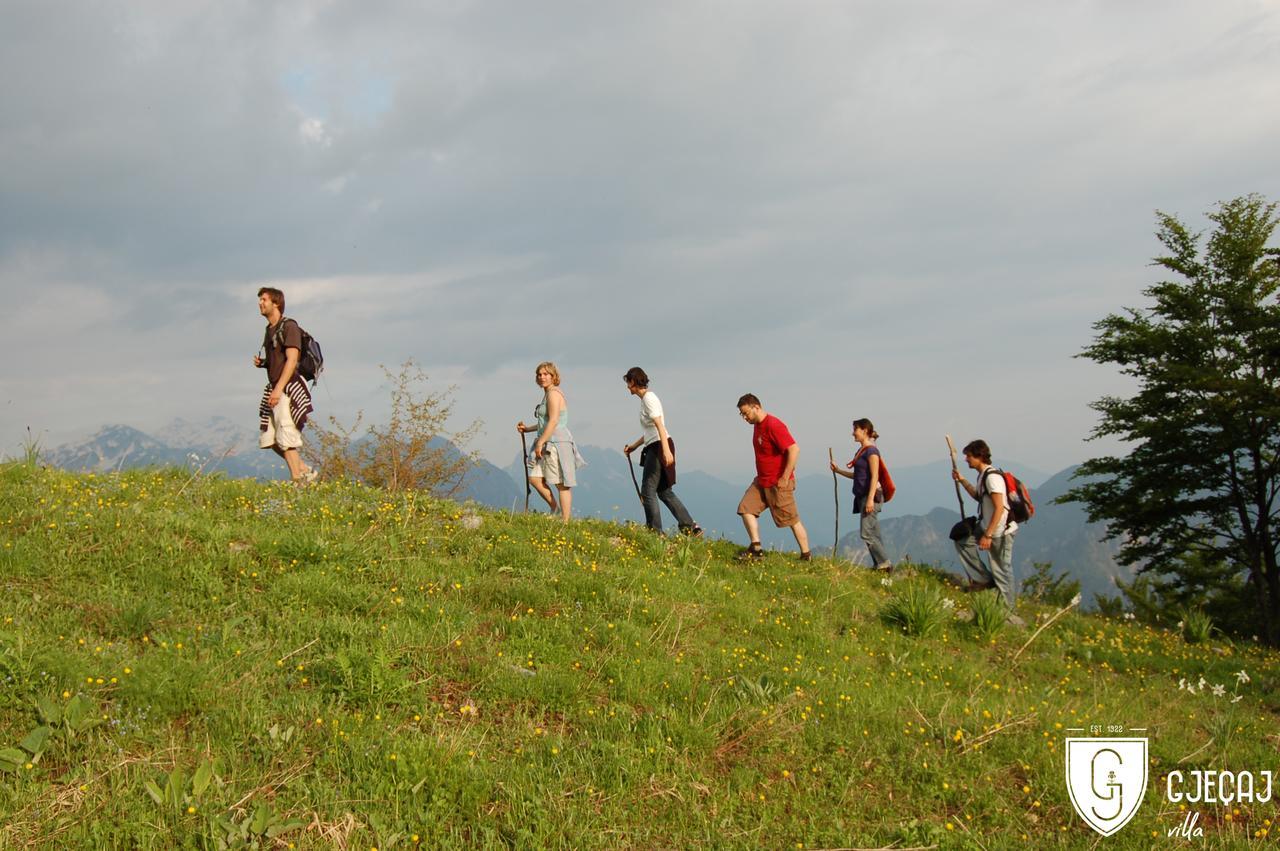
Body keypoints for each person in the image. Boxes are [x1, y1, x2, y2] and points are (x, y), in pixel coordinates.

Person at [621, 367, 703, 537]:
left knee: (648, 489)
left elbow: (659, 425)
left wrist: (665, 450)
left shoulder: (649, 398)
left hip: (659, 446)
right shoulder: (646, 399)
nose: (627, 387)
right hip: (657, 443)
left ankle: (655, 531)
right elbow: (651, 431)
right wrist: (634, 447)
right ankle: (690, 526)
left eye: (628, 383)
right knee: (664, 491)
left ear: (633, 382)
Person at [952, 438, 1022, 622]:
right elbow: (979, 497)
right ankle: (983, 579)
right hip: (988, 528)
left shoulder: (992, 478)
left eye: (968, 456)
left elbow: (1000, 508)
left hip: (1000, 532)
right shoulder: (983, 476)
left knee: (1002, 569)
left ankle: (1008, 612)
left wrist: (988, 535)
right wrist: (962, 480)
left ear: (979, 456)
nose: (966, 459)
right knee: (962, 540)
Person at [735, 393, 811, 560]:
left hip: (778, 482)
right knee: (745, 508)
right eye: (742, 414)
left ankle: (806, 555)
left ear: (756, 407)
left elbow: (794, 449)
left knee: (792, 520)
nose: (744, 418)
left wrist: (785, 477)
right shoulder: (757, 425)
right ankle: (756, 548)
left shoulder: (774, 425)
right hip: (762, 480)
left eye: (746, 413)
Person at [253, 287, 317, 484]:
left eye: (264, 299)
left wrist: (279, 389)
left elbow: (291, 360)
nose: (260, 303)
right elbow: (279, 360)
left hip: (288, 388)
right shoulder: (269, 329)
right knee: (270, 440)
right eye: (260, 300)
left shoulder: (289, 327)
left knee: (286, 436)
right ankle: (304, 470)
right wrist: (264, 363)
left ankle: (298, 481)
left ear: (276, 303)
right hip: (275, 387)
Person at [516, 362, 585, 522]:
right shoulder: (547, 394)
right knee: (534, 478)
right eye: (539, 374)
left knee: (561, 484)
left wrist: (540, 443)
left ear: (554, 376)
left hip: (556, 443)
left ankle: (565, 522)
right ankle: (555, 509)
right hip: (546, 440)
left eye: (546, 374)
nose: (542, 377)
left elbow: (553, 421)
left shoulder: (554, 394)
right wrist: (527, 429)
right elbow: (545, 422)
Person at [830, 418, 892, 571]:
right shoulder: (862, 451)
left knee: (866, 533)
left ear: (864, 430)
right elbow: (858, 476)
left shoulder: (872, 452)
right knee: (873, 533)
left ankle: (885, 563)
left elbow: (875, 476)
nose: (853, 433)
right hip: (863, 496)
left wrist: (870, 499)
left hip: (871, 496)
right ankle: (879, 564)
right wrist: (838, 471)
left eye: (855, 429)